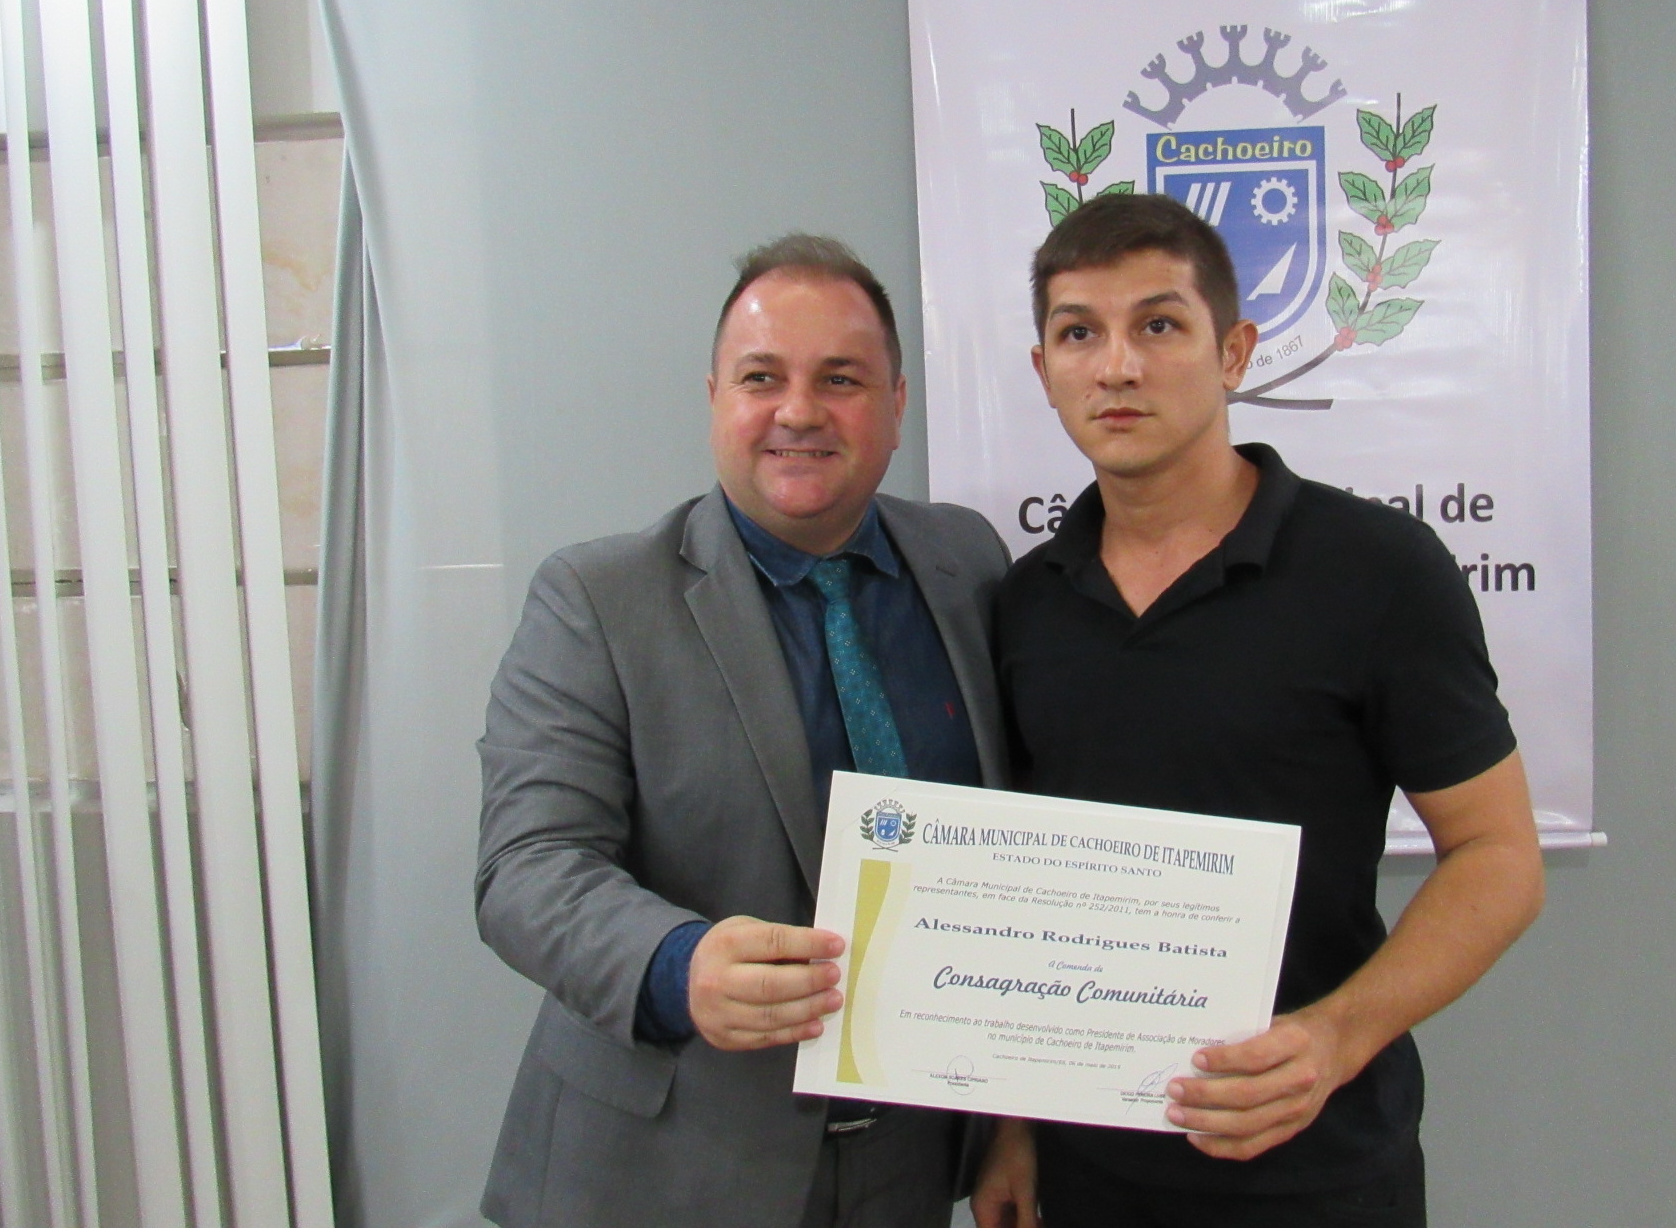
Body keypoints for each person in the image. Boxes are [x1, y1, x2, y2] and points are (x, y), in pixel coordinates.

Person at [973, 194, 1545, 1228]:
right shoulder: (1024, 602)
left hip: (1313, 1172)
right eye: (1078, 333)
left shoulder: (1377, 571)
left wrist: (1335, 1036)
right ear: (1044, 370)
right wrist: (1011, 1124)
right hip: (1086, 1177)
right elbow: (1023, 888)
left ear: (1233, 352)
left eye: (1158, 324)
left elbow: (1499, 857)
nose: (1116, 366)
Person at [475, 235, 1009, 1228]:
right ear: (715, 396)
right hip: (665, 1174)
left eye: (840, 379)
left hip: (910, 1163)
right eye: (762, 377)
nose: (798, 411)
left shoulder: (966, 560)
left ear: (897, 404)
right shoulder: (596, 599)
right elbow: (527, 867)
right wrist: (679, 965)